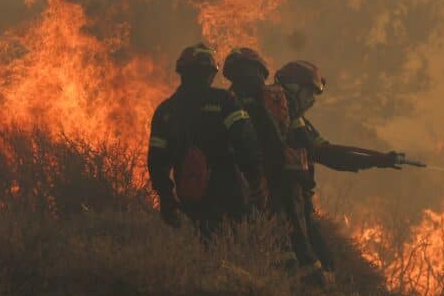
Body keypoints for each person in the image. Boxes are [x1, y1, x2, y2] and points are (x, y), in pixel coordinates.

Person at [274, 60, 405, 282]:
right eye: (309, 93)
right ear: (294, 87)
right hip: (284, 204)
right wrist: (377, 160)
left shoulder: (296, 121)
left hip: (295, 203)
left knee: (320, 264)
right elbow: (329, 155)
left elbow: (328, 150)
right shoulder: (286, 119)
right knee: (315, 268)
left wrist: (377, 159)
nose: (312, 100)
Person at [222, 48, 324, 283]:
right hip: (281, 184)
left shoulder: (227, 100)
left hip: (247, 183)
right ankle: (311, 294)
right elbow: (308, 145)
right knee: (297, 245)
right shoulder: (278, 100)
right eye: (310, 93)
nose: (311, 100)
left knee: (273, 243)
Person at [147, 43, 265, 236]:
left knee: (201, 243)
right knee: (232, 245)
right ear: (211, 73)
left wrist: (166, 198)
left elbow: (156, 160)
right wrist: (256, 179)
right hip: (229, 193)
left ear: (182, 72)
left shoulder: (165, 110)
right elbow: (245, 142)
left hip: (189, 193)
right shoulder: (224, 101)